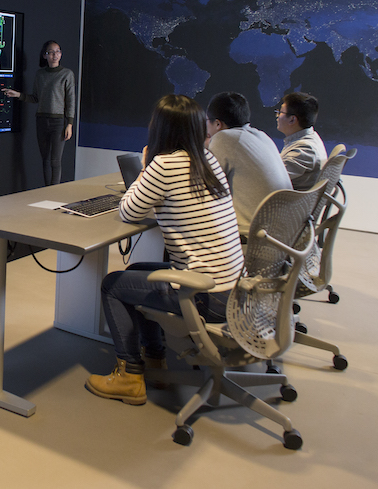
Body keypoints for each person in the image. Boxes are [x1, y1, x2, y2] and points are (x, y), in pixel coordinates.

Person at [85, 94, 244, 406]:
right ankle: (155, 356)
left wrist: (146, 167)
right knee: (136, 273)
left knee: (113, 286)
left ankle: (129, 377)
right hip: (235, 290)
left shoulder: (165, 164)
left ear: (161, 129)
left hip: (206, 295)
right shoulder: (207, 159)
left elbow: (128, 212)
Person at [206, 92, 292, 236]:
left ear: (217, 123)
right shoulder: (261, 135)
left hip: (254, 237)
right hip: (282, 234)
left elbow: (206, 185)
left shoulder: (224, 137)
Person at [3, 40, 76, 185]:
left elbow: (71, 100)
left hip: (59, 122)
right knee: (45, 159)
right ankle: (46, 191)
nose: (55, 55)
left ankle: (54, 193)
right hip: (41, 120)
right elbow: (35, 98)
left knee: (55, 161)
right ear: (45, 55)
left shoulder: (67, 74)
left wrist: (69, 124)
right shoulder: (40, 74)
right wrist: (17, 95)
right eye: (51, 52)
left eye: (58, 51)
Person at [276, 92, 327, 191]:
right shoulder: (310, 137)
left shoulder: (304, 150)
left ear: (292, 119)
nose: (277, 116)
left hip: (286, 204)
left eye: (280, 112)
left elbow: (269, 179)